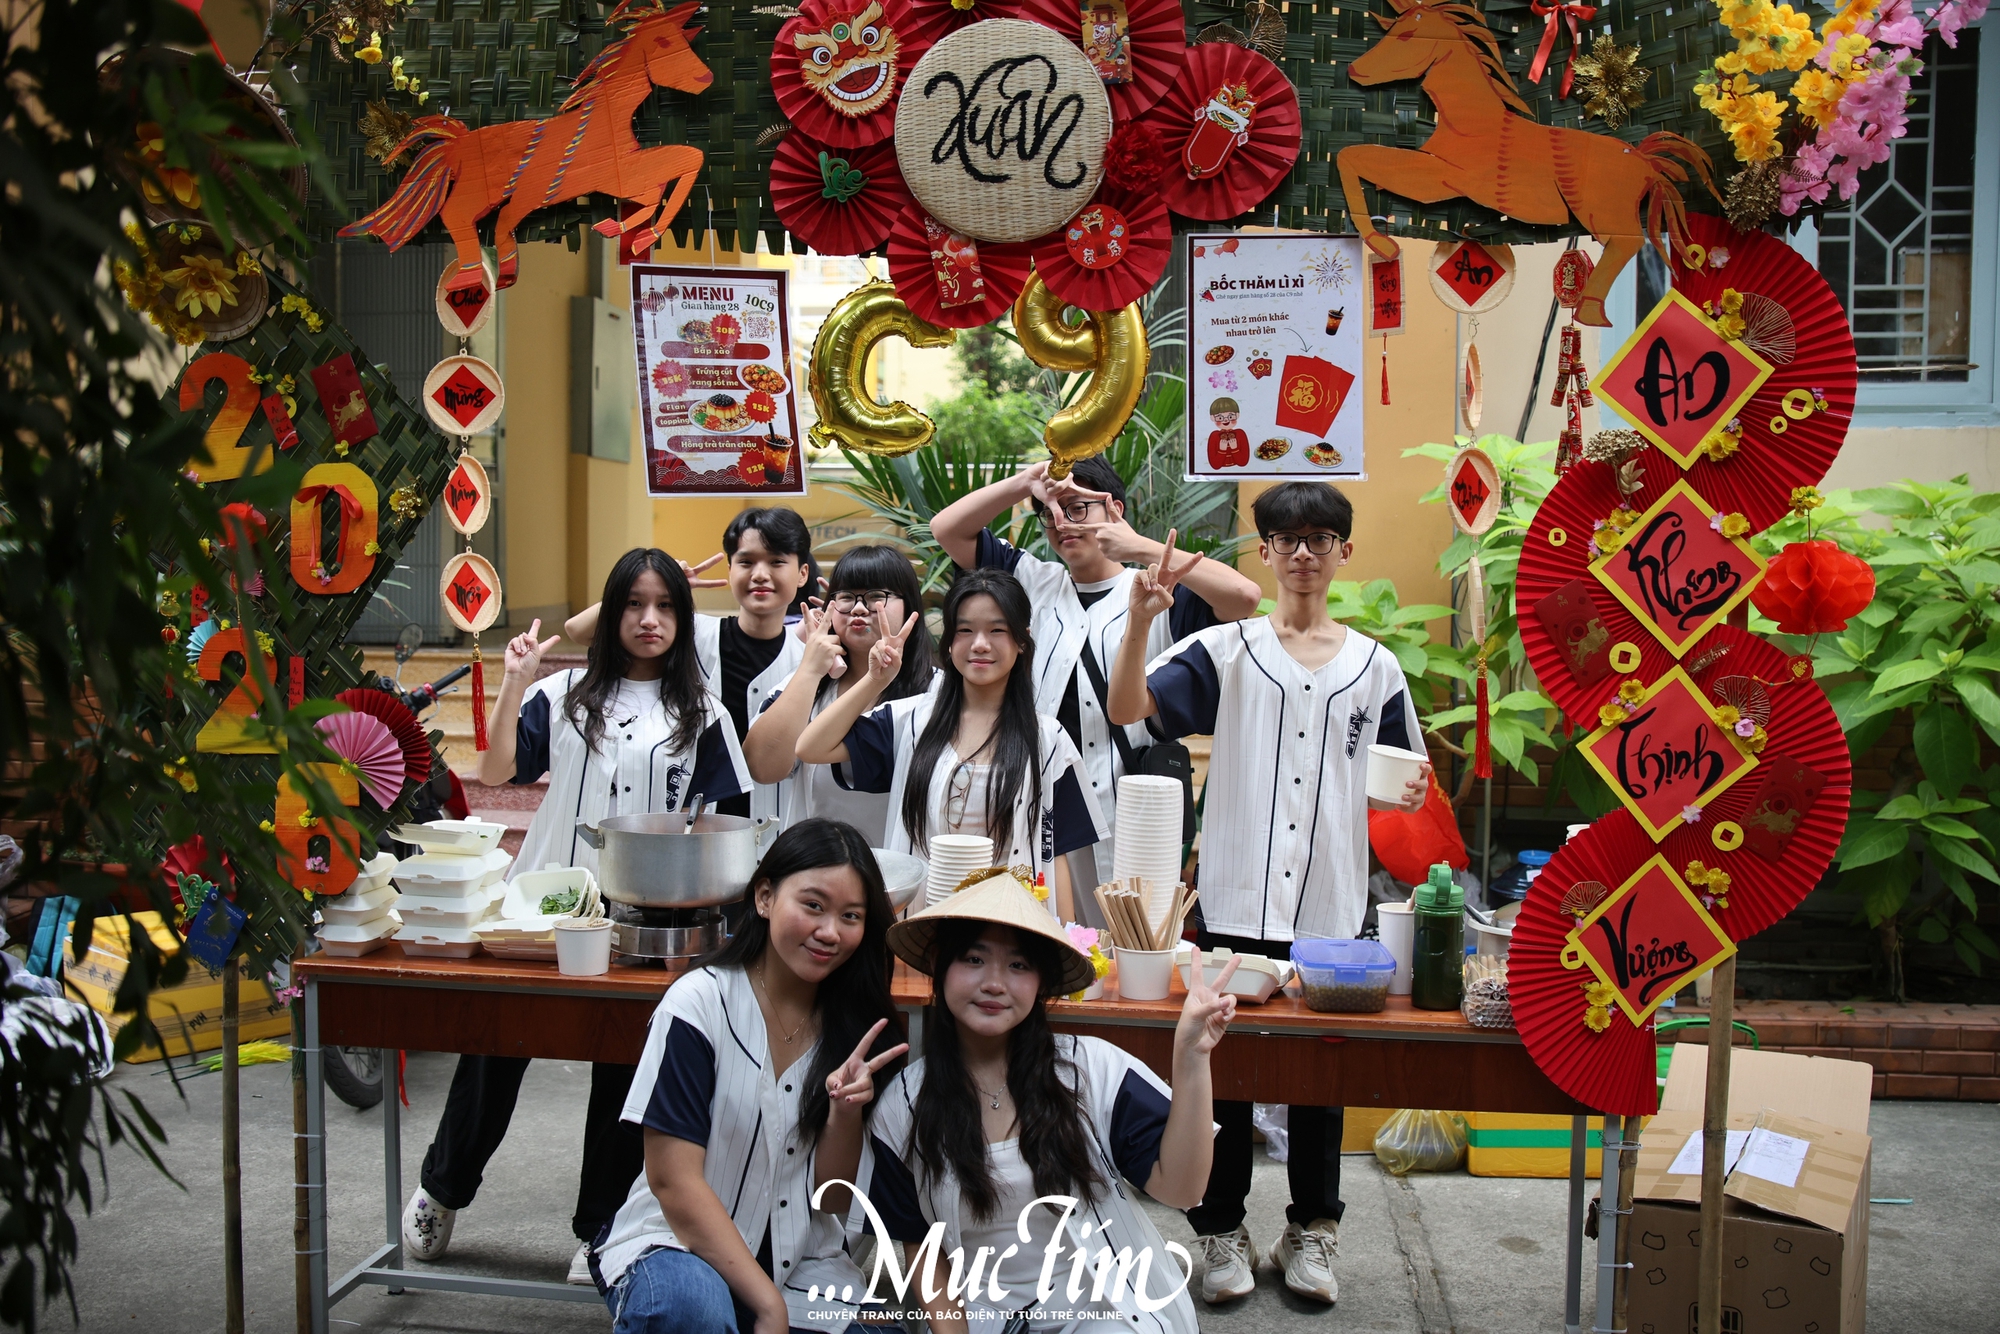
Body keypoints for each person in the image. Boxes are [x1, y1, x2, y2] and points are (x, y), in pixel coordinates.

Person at [1105, 482, 1430, 1309]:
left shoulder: (1376, 667)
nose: (1303, 553)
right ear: (1266, 552)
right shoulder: (1228, 650)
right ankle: (1220, 1232)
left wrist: (1413, 791)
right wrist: (1140, 622)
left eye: (1321, 538)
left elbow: (1407, 781)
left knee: (1322, 1076)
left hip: (1331, 909)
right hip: (1235, 898)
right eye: (1287, 539)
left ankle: (1313, 1230)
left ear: (1344, 551)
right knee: (1227, 1071)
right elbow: (1129, 708)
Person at [404, 549, 752, 1285]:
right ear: (613, 611)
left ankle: (599, 1228)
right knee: (495, 1050)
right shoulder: (563, 695)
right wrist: (514, 680)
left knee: (623, 1069)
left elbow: (727, 823)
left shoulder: (704, 713)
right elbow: (498, 770)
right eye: (635, 604)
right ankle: (443, 1187)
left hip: (646, 922)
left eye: (666, 606)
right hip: (542, 909)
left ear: (683, 618)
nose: (650, 619)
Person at [853, 872, 1239, 1333]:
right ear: (939, 964)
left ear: (1041, 981)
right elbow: (921, 1248)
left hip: (1105, 1313)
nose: (994, 983)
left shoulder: (1092, 1070)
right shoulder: (903, 1105)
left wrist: (1192, 1057)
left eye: (1018, 965)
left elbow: (1182, 1190)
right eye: (974, 958)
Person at [593, 818, 910, 1334]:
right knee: (690, 1310)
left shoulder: (856, 1028)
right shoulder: (700, 1003)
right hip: (678, 1247)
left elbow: (832, 1200)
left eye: (851, 916)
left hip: (800, 1264)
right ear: (764, 897)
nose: (830, 932)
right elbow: (673, 1181)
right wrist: (768, 1306)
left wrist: (845, 1114)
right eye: (813, 905)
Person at [928, 457, 1260, 903]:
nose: (1062, 522)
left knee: (1134, 932)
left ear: (1115, 510)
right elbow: (947, 529)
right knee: (1048, 926)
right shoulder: (1031, 581)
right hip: (1040, 803)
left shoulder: (1157, 591)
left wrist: (1138, 546)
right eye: (1050, 512)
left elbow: (1245, 597)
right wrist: (1027, 481)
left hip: (1135, 808)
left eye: (1078, 507)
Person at [795, 568, 1106, 920]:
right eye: (965, 630)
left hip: (1011, 928)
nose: (980, 644)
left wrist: (1061, 938)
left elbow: (1057, 854)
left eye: (997, 630)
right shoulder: (911, 722)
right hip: (920, 928)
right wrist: (875, 680)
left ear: (1022, 641)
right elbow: (811, 747)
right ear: (948, 642)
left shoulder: (1049, 741)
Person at [566, 507, 816, 823]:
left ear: (802, 573)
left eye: (777, 561)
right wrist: (664, 585)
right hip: (688, 825)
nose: (760, 574)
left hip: (776, 827)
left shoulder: (809, 662)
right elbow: (579, 631)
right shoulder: (690, 634)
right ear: (730, 569)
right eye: (746, 562)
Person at [742, 545, 938, 846]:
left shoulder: (939, 693)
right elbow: (762, 768)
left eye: (876, 596)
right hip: (816, 862)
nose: (859, 608)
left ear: (910, 605)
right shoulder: (804, 685)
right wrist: (809, 670)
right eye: (846, 596)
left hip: (906, 867)